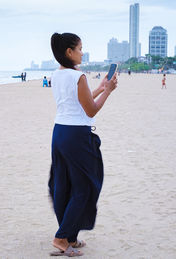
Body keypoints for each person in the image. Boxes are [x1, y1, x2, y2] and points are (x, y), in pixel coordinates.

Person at [48, 32, 117, 257]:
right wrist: (108, 91)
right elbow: (90, 109)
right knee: (84, 187)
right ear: (69, 52)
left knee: (62, 185)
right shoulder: (78, 76)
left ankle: (69, 237)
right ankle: (61, 237)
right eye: (79, 48)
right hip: (77, 136)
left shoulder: (57, 75)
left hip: (59, 133)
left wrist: (99, 87)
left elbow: (77, 100)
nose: (82, 52)